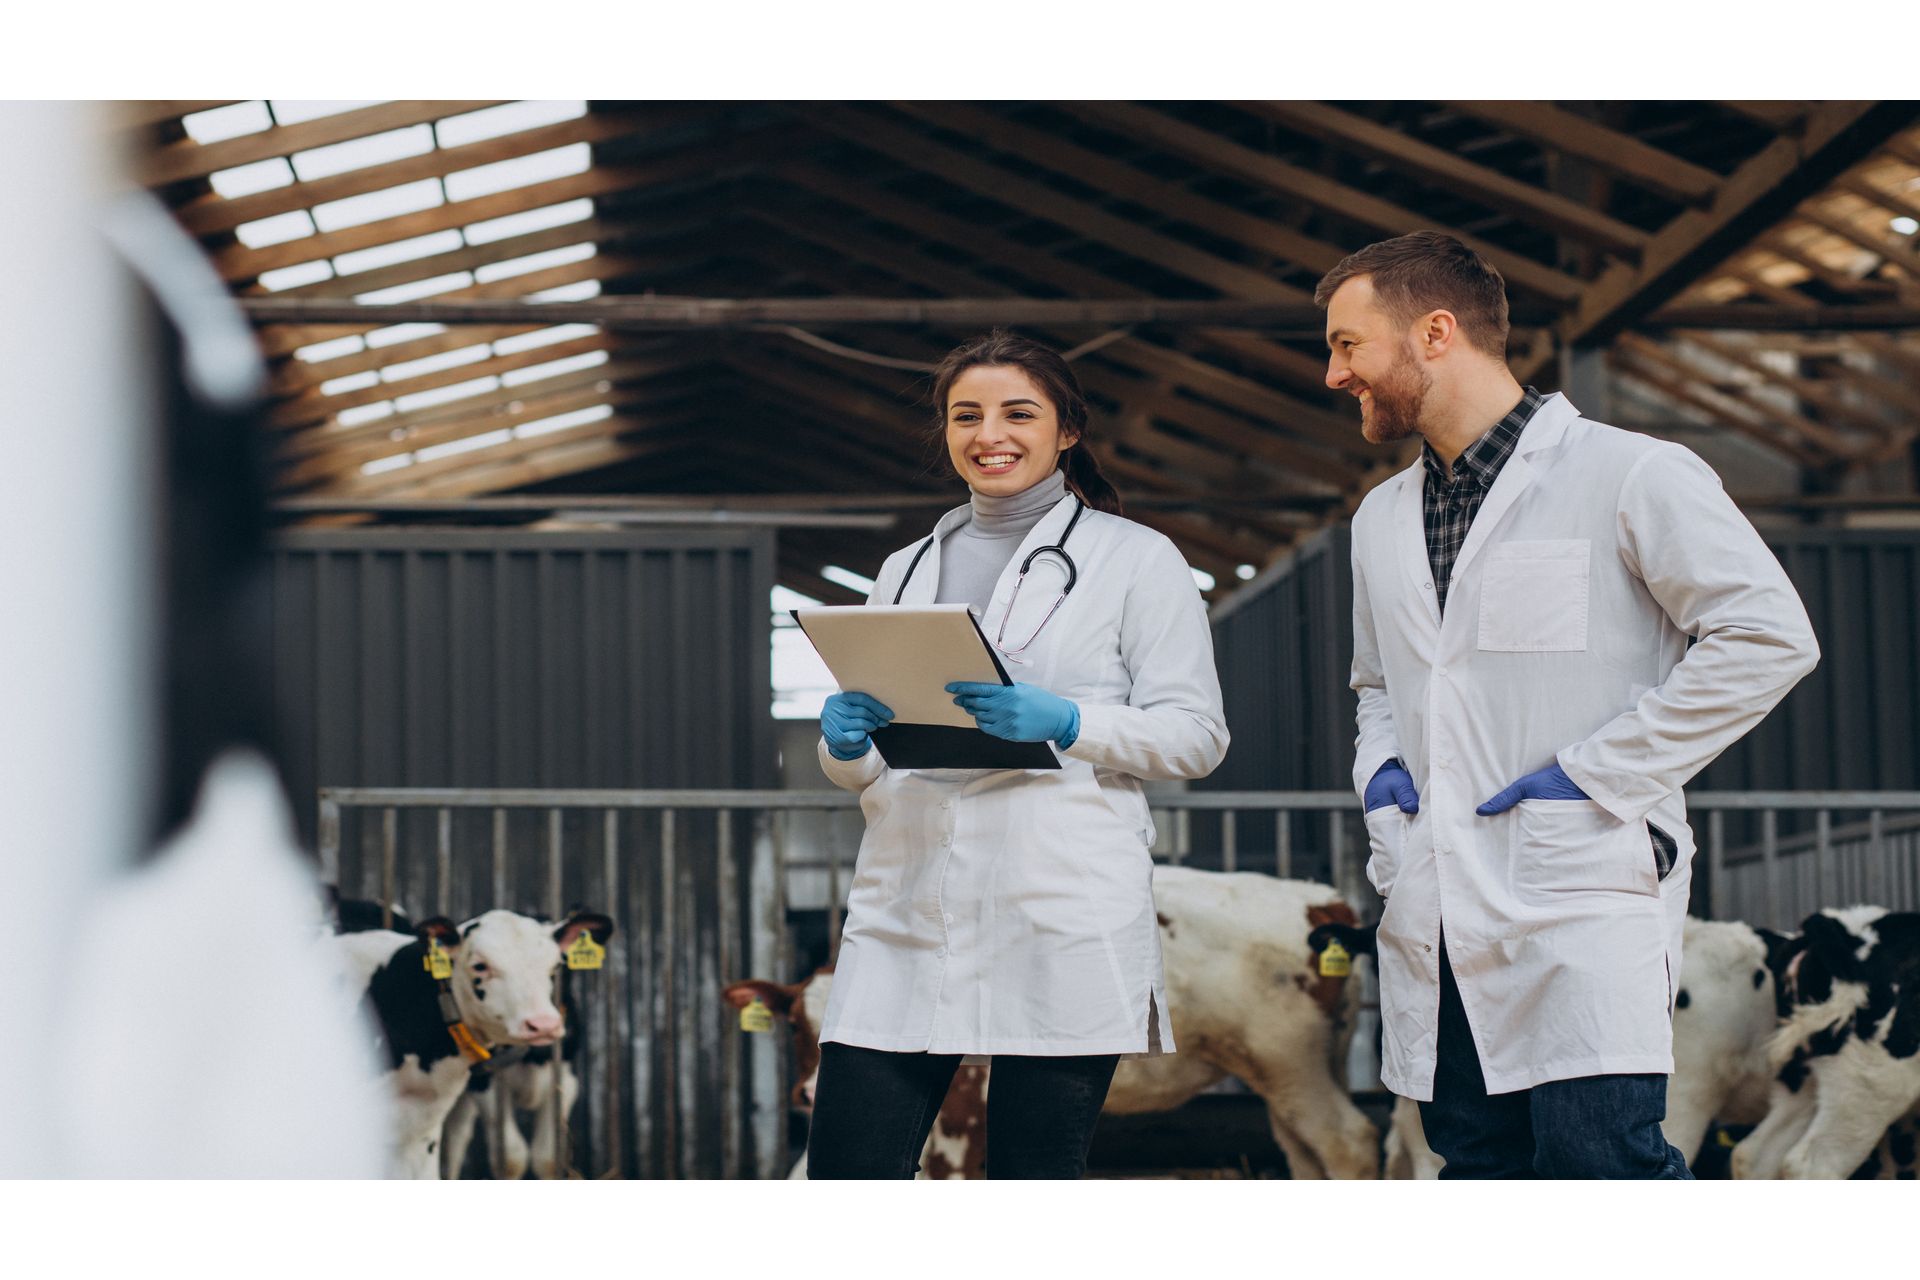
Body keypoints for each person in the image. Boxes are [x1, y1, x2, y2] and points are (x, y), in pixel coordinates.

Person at [1325, 231, 1819, 1179]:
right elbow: (1379, 682)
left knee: (1603, 1168)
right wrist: (1383, 780)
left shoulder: (1632, 473)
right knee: (1476, 1166)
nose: (1335, 371)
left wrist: (1595, 777)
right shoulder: (1380, 516)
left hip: (1577, 888)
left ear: (1435, 332)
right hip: (1436, 899)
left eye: (1350, 344)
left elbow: (1768, 638)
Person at [805, 330, 1229, 1179]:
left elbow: (1197, 735)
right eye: (966, 415)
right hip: (907, 911)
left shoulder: (1136, 560)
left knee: (1032, 1188)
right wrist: (843, 746)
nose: (988, 433)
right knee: (846, 1178)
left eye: (1017, 413)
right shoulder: (902, 569)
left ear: (1067, 430)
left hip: (1057, 909)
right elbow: (877, 762)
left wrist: (1070, 722)